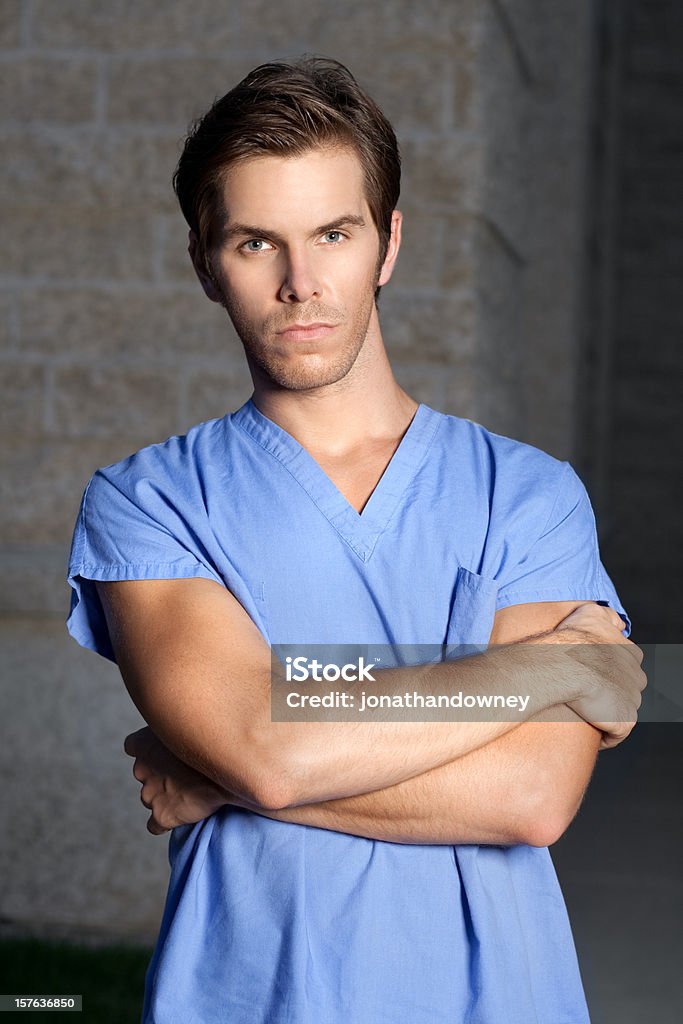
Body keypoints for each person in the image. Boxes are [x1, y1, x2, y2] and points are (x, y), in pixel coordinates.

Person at [66, 57, 645, 1023]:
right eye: (257, 242)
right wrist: (549, 671)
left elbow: (532, 797)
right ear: (204, 262)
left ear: (387, 245)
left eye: (333, 233)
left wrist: (222, 768)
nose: (301, 283)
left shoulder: (529, 495)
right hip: (251, 993)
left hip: (495, 997)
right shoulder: (148, 501)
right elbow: (263, 749)